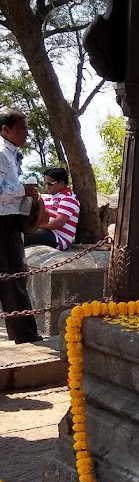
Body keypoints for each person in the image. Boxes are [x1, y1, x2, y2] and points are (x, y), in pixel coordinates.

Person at [0, 107, 42, 343]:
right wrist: (22, 190)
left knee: (15, 279)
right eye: (21, 128)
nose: (26, 133)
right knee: (13, 281)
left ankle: (24, 333)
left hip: (11, 221)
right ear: (5, 129)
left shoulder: (11, 153)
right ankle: (26, 337)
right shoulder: (1, 153)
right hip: (3, 223)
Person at [25, 166, 80, 250]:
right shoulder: (47, 198)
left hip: (58, 238)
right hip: (47, 232)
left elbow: (57, 224)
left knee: (23, 236)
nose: (47, 186)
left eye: (49, 184)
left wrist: (36, 227)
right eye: (45, 183)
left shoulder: (69, 199)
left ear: (61, 183)